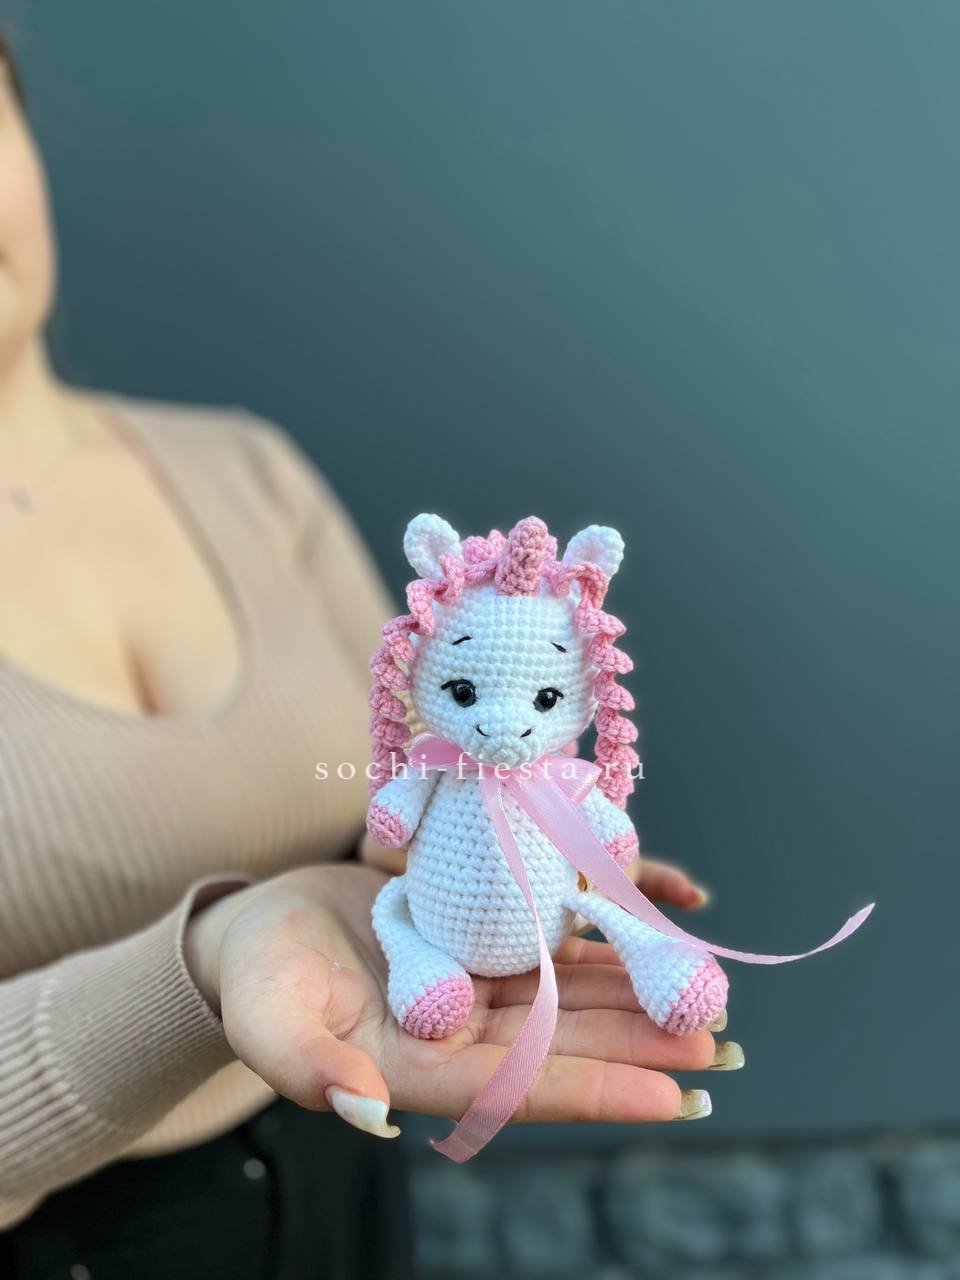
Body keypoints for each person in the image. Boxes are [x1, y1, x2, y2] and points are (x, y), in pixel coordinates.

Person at [0, 30, 741, 1280]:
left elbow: (391, 783)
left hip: (345, 1179)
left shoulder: (246, 472)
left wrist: (544, 833)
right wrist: (207, 961)